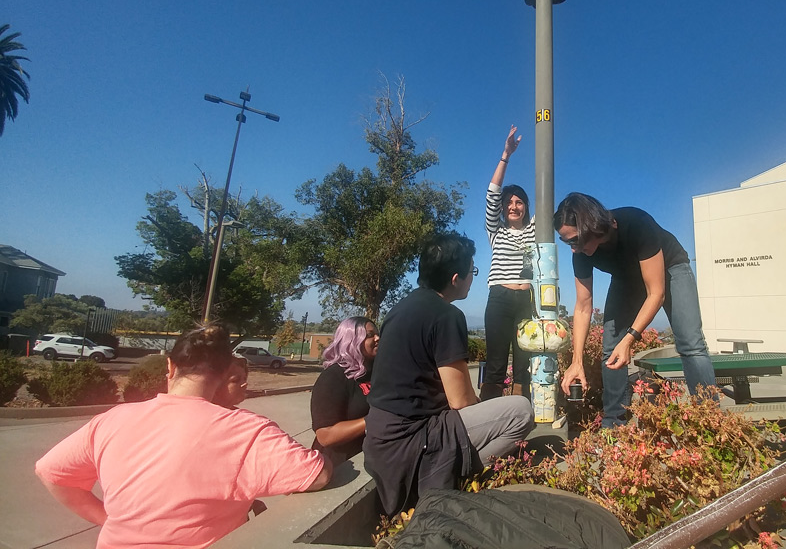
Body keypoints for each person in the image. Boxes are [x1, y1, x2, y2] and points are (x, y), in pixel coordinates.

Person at [35, 326, 331, 549]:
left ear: (170, 366)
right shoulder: (247, 431)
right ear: (225, 371)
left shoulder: (112, 419)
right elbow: (316, 475)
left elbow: (51, 473)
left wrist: (107, 519)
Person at [364, 233, 535, 516]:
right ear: (456, 279)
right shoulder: (446, 315)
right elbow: (460, 401)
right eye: (472, 272)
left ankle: (451, 467)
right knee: (521, 411)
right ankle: (457, 473)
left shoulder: (399, 309)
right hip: (413, 439)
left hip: (380, 438)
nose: (473, 278)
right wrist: (484, 407)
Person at [554, 193, 717, 428]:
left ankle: (709, 418)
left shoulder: (636, 223)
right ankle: (613, 422)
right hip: (625, 279)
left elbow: (656, 293)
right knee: (611, 349)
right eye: (567, 242)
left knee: (691, 343)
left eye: (576, 240)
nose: (573, 249)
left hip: (671, 269)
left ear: (591, 226)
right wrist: (576, 361)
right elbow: (583, 306)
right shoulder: (579, 252)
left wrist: (630, 338)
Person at [482, 125, 536, 400]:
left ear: (526, 206)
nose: (514, 206)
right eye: (509, 203)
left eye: (519, 202)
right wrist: (506, 156)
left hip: (525, 299)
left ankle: (521, 413)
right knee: (496, 362)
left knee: (524, 364)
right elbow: (492, 194)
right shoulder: (496, 230)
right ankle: (490, 414)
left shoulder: (534, 229)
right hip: (500, 298)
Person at [310, 316, 379, 464]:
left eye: (378, 333)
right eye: (369, 335)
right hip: (341, 464)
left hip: (372, 457)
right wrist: (374, 419)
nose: (378, 338)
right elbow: (326, 435)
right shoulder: (333, 376)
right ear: (352, 340)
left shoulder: (377, 372)